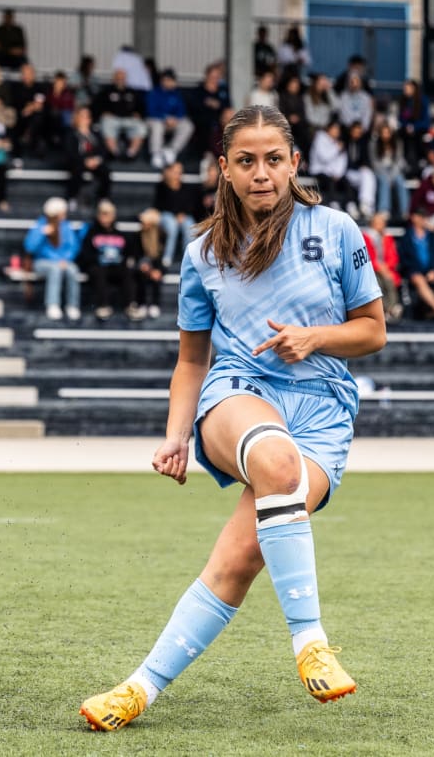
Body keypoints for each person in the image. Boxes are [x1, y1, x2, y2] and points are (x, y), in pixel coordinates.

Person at [79, 105, 385, 731]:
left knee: (237, 560)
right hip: (238, 391)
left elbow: (373, 332)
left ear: (295, 162)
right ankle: (311, 642)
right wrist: (174, 436)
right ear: (224, 168)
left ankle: (138, 690)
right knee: (275, 462)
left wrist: (315, 338)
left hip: (323, 412)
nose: (261, 173)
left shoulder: (336, 229)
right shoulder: (202, 253)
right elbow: (192, 361)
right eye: (246, 161)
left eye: (274, 159)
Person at [78, 199, 144, 321]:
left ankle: (130, 305)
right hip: (98, 266)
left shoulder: (120, 234)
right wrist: (96, 260)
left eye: (108, 214)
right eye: (103, 213)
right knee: (98, 272)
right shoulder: (91, 233)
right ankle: (103, 305)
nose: (106, 217)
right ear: (98, 215)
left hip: (116, 266)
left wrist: (125, 261)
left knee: (128, 272)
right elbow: (86, 253)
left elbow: (129, 252)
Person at [23, 197, 83, 320]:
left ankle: (73, 305)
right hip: (42, 262)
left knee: (73, 270)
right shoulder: (40, 225)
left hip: (64, 262)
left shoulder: (66, 227)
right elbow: (29, 247)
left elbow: (73, 247)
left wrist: (65, 259)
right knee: (55, 269)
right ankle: (52, 304)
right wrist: (41, 234)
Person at [397, 208, 434, 321]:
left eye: (424, 217)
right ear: (414, 218)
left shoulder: (431, 236)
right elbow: (405, 260)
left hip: (432, 271)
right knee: (419, 279)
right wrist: (419, 272)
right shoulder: (406, 237)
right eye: (421, 217)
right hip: (415, 272)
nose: (423, 219)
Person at [145, 68, 195, 169]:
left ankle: (171, 150)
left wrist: (175, 119)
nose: (170, 82)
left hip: (172, 122)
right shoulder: (154, 92)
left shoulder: (176, 93)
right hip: (156, 120)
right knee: (157, 126)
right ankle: (156, 154)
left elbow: (182, 110)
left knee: (188, 125)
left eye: (171, 80)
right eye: (167, 80)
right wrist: (165, 118)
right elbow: (151, 110)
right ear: (162, 80)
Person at [93, 68, 148, 160]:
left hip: (130, 119)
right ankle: (115, 152)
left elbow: (142, 107)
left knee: (141, 127)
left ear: (126, 79)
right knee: (106, 124)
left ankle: (131, 153)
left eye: (122, 78)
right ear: (114, 78)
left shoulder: (132, 92)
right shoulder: (106, 91)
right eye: (118, 77)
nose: (120, 80)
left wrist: (139, 114)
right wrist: (102, 113)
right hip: (113, 119)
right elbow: (96, 106)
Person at [155, 161, 200, 268]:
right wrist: (176, 214)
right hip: (166, 215)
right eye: (175, 172)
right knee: (172, 226)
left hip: (183, 215)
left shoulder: (186, 188)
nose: (177, 175)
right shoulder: (162, 186)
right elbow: (160, 205)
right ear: (169, 172)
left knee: (191, 227)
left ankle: (187, 258)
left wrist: (182, 214)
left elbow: (190, 205)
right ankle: (167, 257)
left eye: (179, 172)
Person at [64, 105, 111, 209]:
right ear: (77, 118)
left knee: (106, 172)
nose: (85, 119)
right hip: (79, 161)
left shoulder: (95, 133)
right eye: (82, 116)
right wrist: (84, 161)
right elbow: (70, 152)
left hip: (95, 161)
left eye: (87, 116)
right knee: (76, 171)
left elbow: (103, 149)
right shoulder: (71, 133)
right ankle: (72, 197)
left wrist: (97, 160)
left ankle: (102, 197)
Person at [362, 211, 403, 321]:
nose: (381, 225)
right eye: (378, 222)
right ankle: (389, 308)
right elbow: (368, 257)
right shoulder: (365, 237)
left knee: (389, 279)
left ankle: (391, 308)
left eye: (382, 222)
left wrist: (386, 267)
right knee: (378, 281)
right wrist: (380, 267)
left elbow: (393, 256)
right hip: (372, 269)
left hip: (386, 269)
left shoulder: (387, 238)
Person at [132, 207, 165, 319]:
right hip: (142, 264)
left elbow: (161, 256)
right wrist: (145, 267)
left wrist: (156, 270)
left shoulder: (161, 235)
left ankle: (155, 304)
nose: (142, 224)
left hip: (156, 264)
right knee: (141, 274)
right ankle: (142, 303)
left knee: (157, 275)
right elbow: (136, 254)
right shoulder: (138, 235)